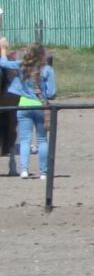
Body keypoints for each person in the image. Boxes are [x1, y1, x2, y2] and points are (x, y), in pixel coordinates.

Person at [0, 39, 56, 179]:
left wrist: (3, 49)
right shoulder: (48, 70)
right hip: (40, 106)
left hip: (24, 105)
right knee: (42, 139)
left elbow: (3, 63)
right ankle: (43, 173)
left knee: (25, 139)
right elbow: (51, 94)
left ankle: (24, 170)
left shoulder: (22, 65)